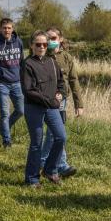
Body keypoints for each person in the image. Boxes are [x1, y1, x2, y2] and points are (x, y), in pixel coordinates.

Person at [20, 30, 67, 187]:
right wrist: (50, 101)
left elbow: (61, 82)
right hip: (34, 108)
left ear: (48, 46)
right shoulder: (27, 64)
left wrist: (60, 93)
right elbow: (29, 90)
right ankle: (32, 178)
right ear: (32, 45)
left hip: (51, 107)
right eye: (38, 44)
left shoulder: (52, 62)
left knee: (61, 137)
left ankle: (50, 170)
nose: (41, 47)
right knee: (36, 143)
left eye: (44, 44)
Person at [39, 27, 83, 178]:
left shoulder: (67, 58)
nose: (50, 42)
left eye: (53, 38)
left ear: (60, 39)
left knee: (55, 133)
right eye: (48, 38)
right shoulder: (43, 55)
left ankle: (45, 162)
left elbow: (73, 80)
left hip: (62, 101)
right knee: (56, 133)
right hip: (47, 100)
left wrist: (79, 104)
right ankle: (60, 165)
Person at [0, 18, 24, 148]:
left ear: (13, 29)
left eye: (9, 28)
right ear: (0, 29)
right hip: (1, 84)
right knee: (5, 113)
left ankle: (3, 129)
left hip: (17, 83)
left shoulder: (19, 42)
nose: (7, 30)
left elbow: (22, 63)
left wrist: (26, 80)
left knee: (21, 110)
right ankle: (7, 141)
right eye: (4, 28)